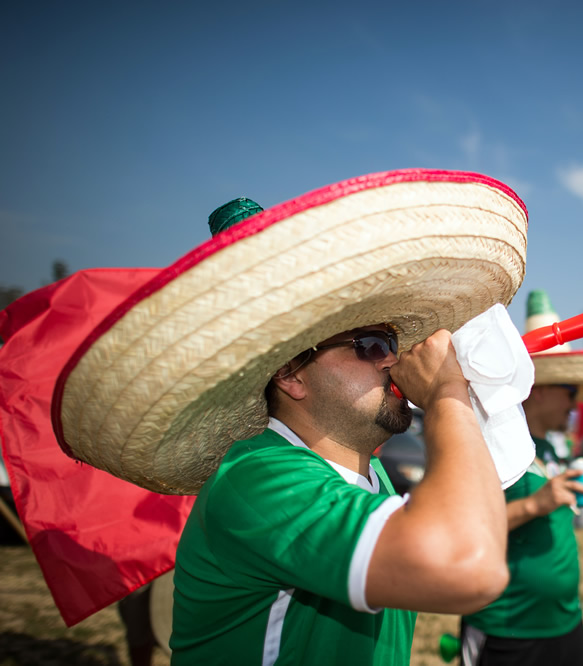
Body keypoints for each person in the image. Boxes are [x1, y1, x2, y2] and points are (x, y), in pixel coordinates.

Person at [49, 171, 532, 665]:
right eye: (369, 345)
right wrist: (447, 392)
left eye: (390, 341)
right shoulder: (257, 478)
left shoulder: (371, 475)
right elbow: (469, 567)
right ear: (290, 376)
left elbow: (469, 535)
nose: (392, 358)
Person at [459, 289, 583, 666]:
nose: (575, 404)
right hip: (507, 628)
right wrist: (536, 504)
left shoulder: (550, 450)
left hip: (565, 624)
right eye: (570, 391)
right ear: (539, 389)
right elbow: (465, 528)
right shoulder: (490, 445)